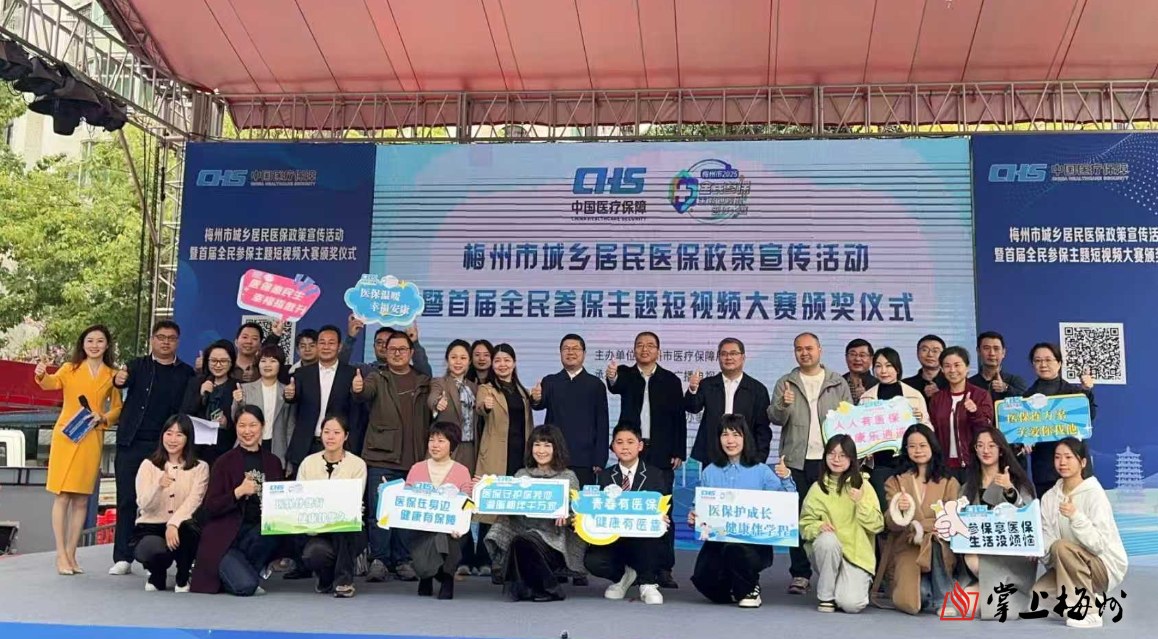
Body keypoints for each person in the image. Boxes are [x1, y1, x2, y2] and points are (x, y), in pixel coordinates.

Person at [34, 324, 123, 575]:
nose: (94, 345)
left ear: (107, 345)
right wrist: (40, 374)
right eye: (90, 341)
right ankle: (60, 554)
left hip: (91, 435)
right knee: (62, 495)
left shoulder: (113, 375)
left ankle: (72, 553)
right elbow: (50, 383)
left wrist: (103, 417)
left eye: (100, 341)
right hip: (66, 436)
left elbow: (118, 408)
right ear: (82, 344)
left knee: (82, 499)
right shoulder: (69, 369)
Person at [109, 320, 195, 576]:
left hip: (164, 447)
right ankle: (123, 556)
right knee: (127, 500)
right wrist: (118, 379)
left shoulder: (186, 373)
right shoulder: (137, 366)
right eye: (161, 337)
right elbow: (119, 381)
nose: (166, 342)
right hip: (131, 442)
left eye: (171, 338)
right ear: (152, 340)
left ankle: (154, 557)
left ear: (178, 342)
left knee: (161, 501)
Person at [770, 332, 853, 595]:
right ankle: (800, 574)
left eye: (809, 348)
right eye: (799, 349)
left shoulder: (837, 382)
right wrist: (784, 405)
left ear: (820, 350)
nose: (804, 353)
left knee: (833, 515)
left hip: (832, 461)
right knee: (797, 517)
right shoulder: (786, 382)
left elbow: (850, 418)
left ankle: (838, 572)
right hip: (796, 461)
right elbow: (774, 417)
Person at [688, 414, 794, 609]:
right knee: (703, 581)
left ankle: (750, 588)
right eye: (725, 435)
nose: (730, 441)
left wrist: (786, 477)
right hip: (718, 540)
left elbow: (785, 505)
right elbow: (699, 508)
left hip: (753, 543)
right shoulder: (709, 472)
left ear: (746, 438)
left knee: (735, 549)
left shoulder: (761, 471)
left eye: (736, 435)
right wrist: (694, 515)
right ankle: (736, 586)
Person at [605, 330, 685, 588]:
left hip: (661, 451)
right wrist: (611, 376)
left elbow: (679, 418)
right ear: (634, 350)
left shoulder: (671, 380)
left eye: (650, 345)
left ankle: (664, 568)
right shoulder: (626, 374)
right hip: (631, 449)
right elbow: (615, 385)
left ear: (658, 351)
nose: (645, 349)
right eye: (640, 345)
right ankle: (631, 565)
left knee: (663, 510)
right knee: (628, 506)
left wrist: (679, 451)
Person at [355, 330, 431, 583]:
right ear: (384, 352)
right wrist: (358, 389)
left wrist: (416, 340)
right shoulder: (377, 377)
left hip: (414, 458)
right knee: (379, 512)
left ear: (411, 353)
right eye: (392, 349)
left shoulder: (422, 379)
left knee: (406, 512)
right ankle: (379, 560)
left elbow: (426, 368)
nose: (397, 353)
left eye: (402, 349)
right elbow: (364, 392)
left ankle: (403, 560)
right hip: (381, 456)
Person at [484, 424, 586, 602]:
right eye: (537, 445)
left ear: (556, 448)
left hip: (553, 541)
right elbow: (510, 505)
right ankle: (542, 589)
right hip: (522, 533)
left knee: (523, 541)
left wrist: (567, 517)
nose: (541, 450)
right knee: (521, 540)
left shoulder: (568, 477)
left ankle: (546, 590)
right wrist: (486, 488)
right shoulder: (521, 475)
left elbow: (577, 513)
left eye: (547, 445)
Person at [191, 405, 286, 596]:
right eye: (242, 425)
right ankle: (233, 572)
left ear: (263, 426)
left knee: (273, 531)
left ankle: (240, 571)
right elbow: (211, 507)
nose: (247, 431)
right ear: (235, 427)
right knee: (246, 587)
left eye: (253, 425)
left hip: (257, 535)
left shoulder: (273, 462)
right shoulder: (223, 462)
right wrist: (237, 492)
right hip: (226, 539)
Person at [1035, 438, 1127, 629]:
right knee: (1039, 595)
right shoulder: (1049, 497)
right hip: (1069, 565)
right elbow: (1047, 538)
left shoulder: (1094, 494)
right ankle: (1092, 598)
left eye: (1069, 457)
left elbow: (1098, 544)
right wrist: (1042, 552)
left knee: (1061, 546)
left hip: (1102, 565)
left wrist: (1075, 517)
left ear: (1083, 462)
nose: (1062, 462)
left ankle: (1090, 612)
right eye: (1058, 457)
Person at [870, 424, 961, 615]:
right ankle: (931, 588)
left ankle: (944, 599)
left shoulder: (949, 482)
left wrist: (923, 526)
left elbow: (953, 519)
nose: (918, 450)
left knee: (934, 540)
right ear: (905, 449)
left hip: (939, 547)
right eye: (912, 446)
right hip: (907, 546)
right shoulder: (895, 481)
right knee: (920, 597)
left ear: (933, 447)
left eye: (922, 445)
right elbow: (890, 524)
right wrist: (899, 511)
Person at [584, 424, 669, 605]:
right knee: (593, 561)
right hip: (614, 539)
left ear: (640, 445)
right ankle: (623, 576)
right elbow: (597, 509)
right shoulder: (605, 476)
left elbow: (662, 507)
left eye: (630, 442)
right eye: (619, 442)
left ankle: (647, 583)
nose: (625, 447)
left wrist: (661, 517)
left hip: (643, 539)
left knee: (657, 533)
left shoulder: (655, 474)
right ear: (613, 447)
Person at [956, 427, 1036, 619]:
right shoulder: (967, 488)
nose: (986, 450)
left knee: (997, 610)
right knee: (967, 607)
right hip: (980, 556)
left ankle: (1013, 591)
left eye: (992, 446)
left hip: (1010, 557)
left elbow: (1027, 516)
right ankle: (984, 587)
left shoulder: (1016, 482)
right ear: (975, 449)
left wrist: (1009, 490)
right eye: (980, 445)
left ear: (1001, 450)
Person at [799, 434, 883, 613]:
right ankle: (826, 597)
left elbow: (877, 525)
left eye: (843, 455)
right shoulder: (817, 488)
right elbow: (804, 526)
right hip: (828, 552)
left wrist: (861, 503)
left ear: (852, 458)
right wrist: (818, 527)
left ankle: (844, 586)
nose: (836, 459)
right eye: (831, 453)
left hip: (856, 555)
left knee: (852, 605)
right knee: (827, 540)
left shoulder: (863, 485)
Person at [474, 343, 532, 581]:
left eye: (507, 360)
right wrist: (485, 407)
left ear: (514, 363)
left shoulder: (522, 391)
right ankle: (490, 561)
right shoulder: (486, 389)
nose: (502, 365)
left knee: (515, 510)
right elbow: (480, 407)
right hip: (496, 455)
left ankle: (512, 562)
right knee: (492, 509)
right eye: (498, 361)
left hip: (520, 456)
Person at [131, 414, 208, 592]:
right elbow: (143, 504)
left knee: (189, 531)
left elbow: (194, 501)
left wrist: (173, 523)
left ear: (188, 438)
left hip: (183, 524)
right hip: (151, 525)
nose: (173, 439)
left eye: (179, 435)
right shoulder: (148, 465)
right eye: (169, 433)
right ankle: (157, 574)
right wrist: (158, 486)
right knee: (151, 548)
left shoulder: (200, 467)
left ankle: (183, 576)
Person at [297, 415, 367, 598]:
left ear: (346, 436)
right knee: (313, 554)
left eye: (336, 432)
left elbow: (354, 499)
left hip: (348, 529)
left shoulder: (357, 464)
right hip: (317, 529)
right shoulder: (308, 463)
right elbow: (300, 498)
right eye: (326, 432)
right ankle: (326, 578)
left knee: (344, 525)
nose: (330, 437)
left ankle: (344, 582)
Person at [530, 334, 609, 488]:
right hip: (553, 455)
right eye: (566, 349)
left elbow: (602, 423)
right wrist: (536, 398)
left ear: (584, 354)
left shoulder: (596, 384)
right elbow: (539, 404)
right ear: (560, 353)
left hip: (584, 458)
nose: (570, 352)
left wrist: (600, 458)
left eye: (575, 348)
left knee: (581, 500)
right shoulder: (550, 381)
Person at [406, 422, 473, 600]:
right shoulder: (417, 469)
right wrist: (389, 492)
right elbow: (405, 500)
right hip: (422, 528)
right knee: (434, 537)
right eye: (431, 440)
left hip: (452, 531)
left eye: (441, 441)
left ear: (452, 445)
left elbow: (467, 504)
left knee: (444, 536)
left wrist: (460, 524)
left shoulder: (462, 471)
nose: (434, 445)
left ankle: (446, 577)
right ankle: (431, 574)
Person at [860, 347, 931, 509]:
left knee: (912, 507)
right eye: (878, 366)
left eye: (888, 365)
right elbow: (860, 433)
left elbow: (928, 430)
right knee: (886, 508)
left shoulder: (914, 395)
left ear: (897, 368)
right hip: (880, 464)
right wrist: (865, 448)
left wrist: (919, 421)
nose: (883, 371)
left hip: (910, 462)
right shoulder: (867, 398)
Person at [1024, 343, 1096, 499]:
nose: (1043, 364)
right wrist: (1023, 441)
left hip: (1076, 467)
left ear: (1059, 363)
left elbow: (1089, 418)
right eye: (1038, 360)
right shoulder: (1025, 399)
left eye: (1048, 359)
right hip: (1045, 470)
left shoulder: (1075, 393)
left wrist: (1086, 390)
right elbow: (1019, 432)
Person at [284, 325, 360, 473]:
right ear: (317, 345)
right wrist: (289, 395)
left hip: (339, 447)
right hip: (306, 445)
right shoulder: (302, 373)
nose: (326, 347)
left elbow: (355, 413)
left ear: (339, 347)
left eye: (331, 343)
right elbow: (293, 398)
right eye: (322, 342)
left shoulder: (351, 374)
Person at [686, 337, 772, 465]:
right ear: (718, 358)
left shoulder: (757, 389)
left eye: (733, 353)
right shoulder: (708, 384)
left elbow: (763, 427)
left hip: (745, 454)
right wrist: (693, 389)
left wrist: (759, 458)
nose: (728, 357)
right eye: (724, 354)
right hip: (712, 452)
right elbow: (693, 408)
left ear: (743, 357)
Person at [927, 346, 994, 479]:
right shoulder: (937, 399)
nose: (952, 370)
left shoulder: (980, 395)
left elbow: (987, 428)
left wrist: (975, 412)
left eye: (957, 365)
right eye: (947, 366)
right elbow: (932, 431)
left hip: (974, 465)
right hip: (945, 466)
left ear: (967, 368)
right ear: (942, 369)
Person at [461, 338, 495, 576]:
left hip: (489, 451)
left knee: (486, 501)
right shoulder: (464, 383)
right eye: (477, 354)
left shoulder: (499, 384)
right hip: (467, 447)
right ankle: (464, 556)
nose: (482, 359)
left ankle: (484, 557)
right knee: (464, 499)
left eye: (486, 355)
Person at [181, 339, 241, 466]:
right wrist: (201, 394)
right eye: (213, 361)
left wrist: (227, 423)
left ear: (231, 362)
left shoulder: (237, 386)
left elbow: (243, 417)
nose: (218, 365)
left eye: (223, 361)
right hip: (196, 448)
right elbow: (184, 413)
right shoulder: (195, 383)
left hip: (225, 448)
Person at [233, 344, 294, 465]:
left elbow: (290, 427)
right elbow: (234, 419)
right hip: (249, 443)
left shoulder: (287, 392)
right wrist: (238, 402)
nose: (267, 365)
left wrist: (289, 461)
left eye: (273, 361)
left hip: (277, 447)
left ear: (280, 365)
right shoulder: (245, 389)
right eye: (263, 361)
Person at [430, 340, 479, 473]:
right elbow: (432, 397)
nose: (458, 362)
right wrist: (437, 403)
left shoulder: (474, 387)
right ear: (447, 360)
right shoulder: (439, 382)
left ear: (469, 361)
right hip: (447, 446)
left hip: (469, 447)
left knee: (466, 482)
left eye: (463, 358)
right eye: (453, 357)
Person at [341, 315, 432, 377]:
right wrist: (350, 337)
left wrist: (414, 342)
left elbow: (426, 375)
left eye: (388, 342)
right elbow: (339, 368)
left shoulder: (407, 372)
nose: (384, 346)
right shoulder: (364, 370)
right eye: (379, 342)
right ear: (374, 347)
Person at [969, 332, 1028, 402]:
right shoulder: (969, 384)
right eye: (986, 348)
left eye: (996, 348)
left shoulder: (1015, 382)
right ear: (978, 351)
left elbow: (1026, 402)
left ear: (1003, 353)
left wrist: (1006, 388)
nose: (992, 353)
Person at [902, 335, 948, 400]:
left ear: (944, 356)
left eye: (935, 351)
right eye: (924, 350)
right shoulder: (905, 385)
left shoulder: (952, 384)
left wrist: (940, 394)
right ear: (917, 353)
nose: (930, 354)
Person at [843, 339, 878, 405]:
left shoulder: (878, 385)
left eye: (862, 355)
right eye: (853, 354)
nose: (857, 359)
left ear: (871, 359)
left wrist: (866, 399)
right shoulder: (838, 383)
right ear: (846, 357)